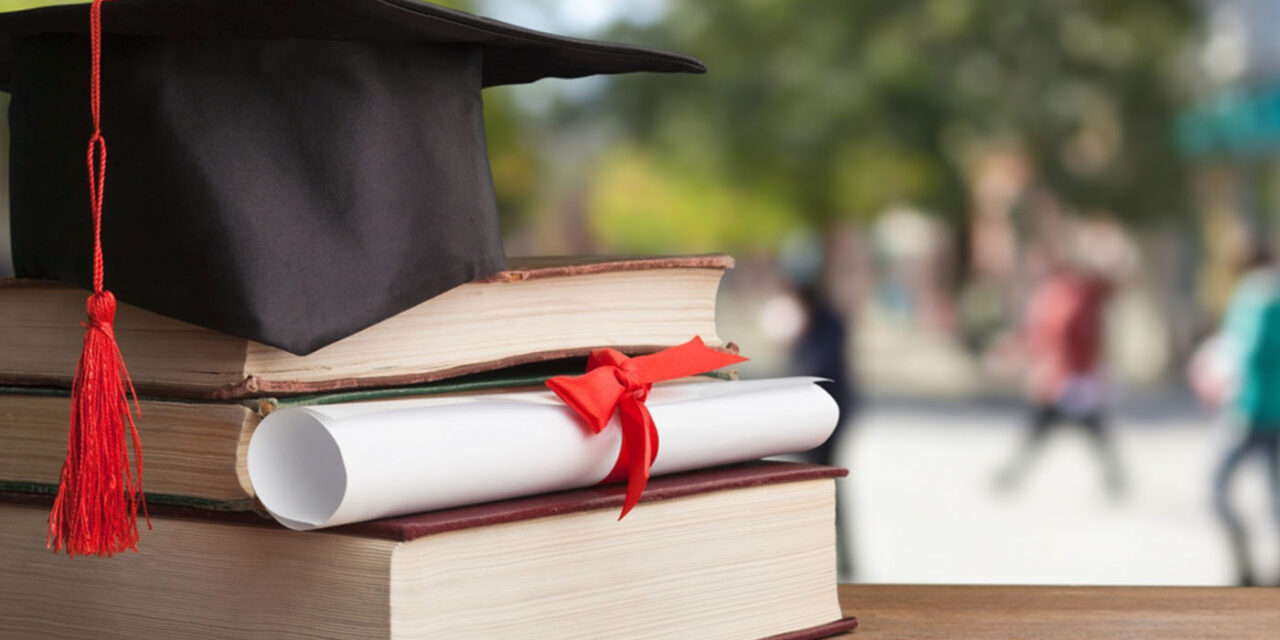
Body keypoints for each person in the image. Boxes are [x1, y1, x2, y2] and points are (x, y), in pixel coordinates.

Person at [995, 264, 1125, 496]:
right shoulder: (1058, 296)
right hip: (1062, 377)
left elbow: (1070, 338)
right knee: (1049, 429)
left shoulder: (1072, 298)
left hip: (1071, 378)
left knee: (1086, 429)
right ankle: (1113, 476)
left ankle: (1113, 477)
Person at [1211, 247, 1280, 586]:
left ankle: (1246, 566)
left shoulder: (1256, 297)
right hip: (1266, 410)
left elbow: (1244, 356)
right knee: (1274, 493)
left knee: (1218, 489)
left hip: (1253, 410)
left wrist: (1237, 406)